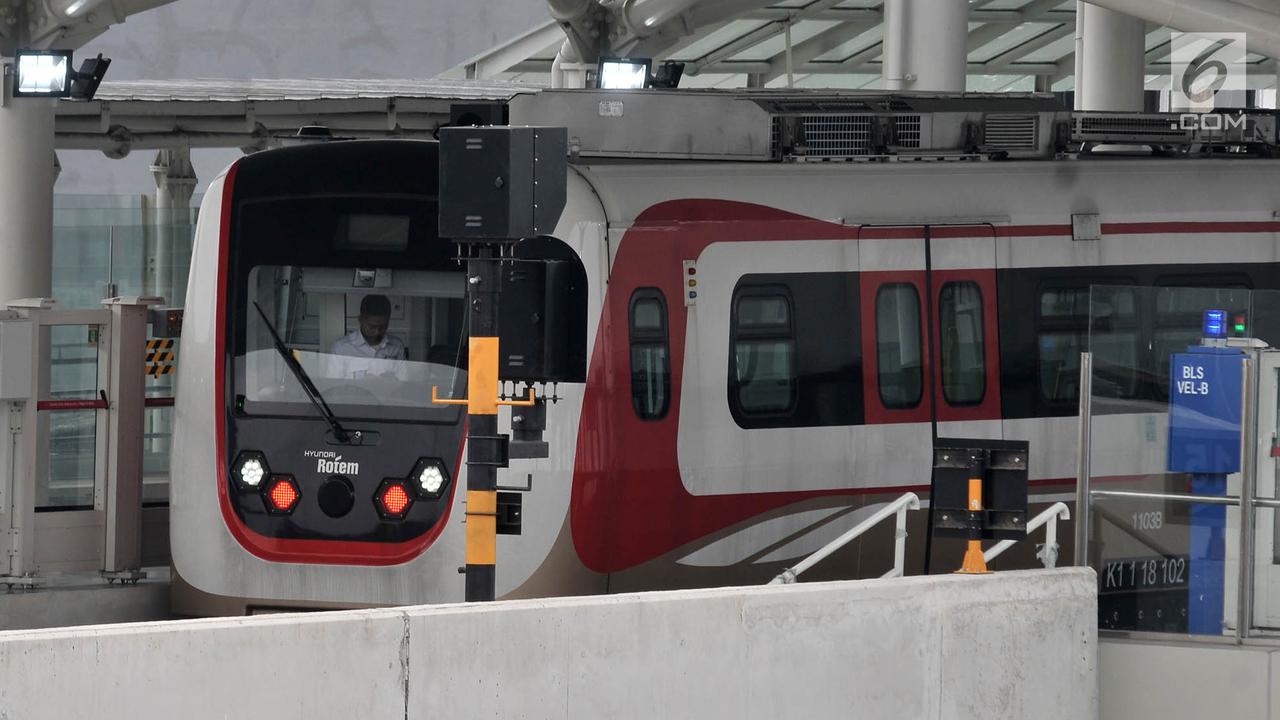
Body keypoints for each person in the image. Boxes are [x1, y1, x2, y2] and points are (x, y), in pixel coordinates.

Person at [327, 294, 406, 379]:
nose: (377, 332)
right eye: (372, 327)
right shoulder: (341, 348)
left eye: (383, 327)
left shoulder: (396, 347)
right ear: (360, 320)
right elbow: (333, 386)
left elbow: (403, 384)